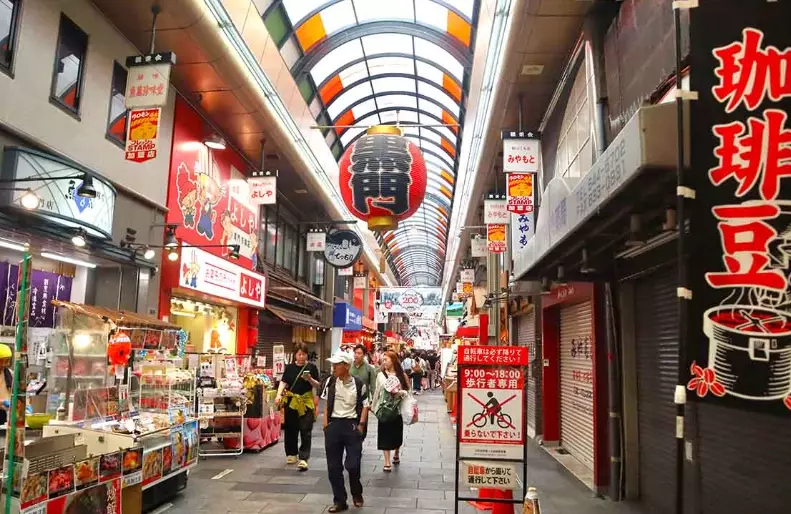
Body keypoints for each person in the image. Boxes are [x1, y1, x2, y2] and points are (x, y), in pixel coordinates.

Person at [321, 350, 369, 513]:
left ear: (346, 366)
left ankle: (356, 492)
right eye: (333, 364)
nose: (334, 367)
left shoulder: (359, 383)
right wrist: (326, 425)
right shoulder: (331, 381)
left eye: (337, 364)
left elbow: (366, 405)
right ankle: (340, 500)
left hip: (352, 426)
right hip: (334, 425)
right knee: (334, 466)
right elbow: (326, 403)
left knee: (353, 464)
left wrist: (361, 425)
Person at [275, 343, 320, 471]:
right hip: (291, 401)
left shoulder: (311, 367)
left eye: (304, 354)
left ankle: (304, 457)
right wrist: (278, 396)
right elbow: (283, 382)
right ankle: (291, 453)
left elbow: (317, 385)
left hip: (306, 402)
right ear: (295, 354)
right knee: (291, 429)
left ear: (307, 354)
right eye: (299, 354)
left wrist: (310, 379)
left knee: (306, 429)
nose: (301, 357)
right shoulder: (289, 368)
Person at [371, 351, 409, 472]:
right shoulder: (380, 375)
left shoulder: (401, 375)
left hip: (397, 409)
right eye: (383, 360)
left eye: (386, 359)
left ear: (393, 360)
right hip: (384, 408)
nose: (384, 362)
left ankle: (396, 451)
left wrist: (401, 393)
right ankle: (387, 461)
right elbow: (377, 390)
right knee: (384, 435)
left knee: (397, 434)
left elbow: (408, 390)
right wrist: (374, 405)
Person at [0, 344, 13, 425]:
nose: (4, 364)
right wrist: (2, 402)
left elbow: (18, 391)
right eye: (1, 361)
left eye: (7, 361)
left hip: (2, 414)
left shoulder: (9, 374)